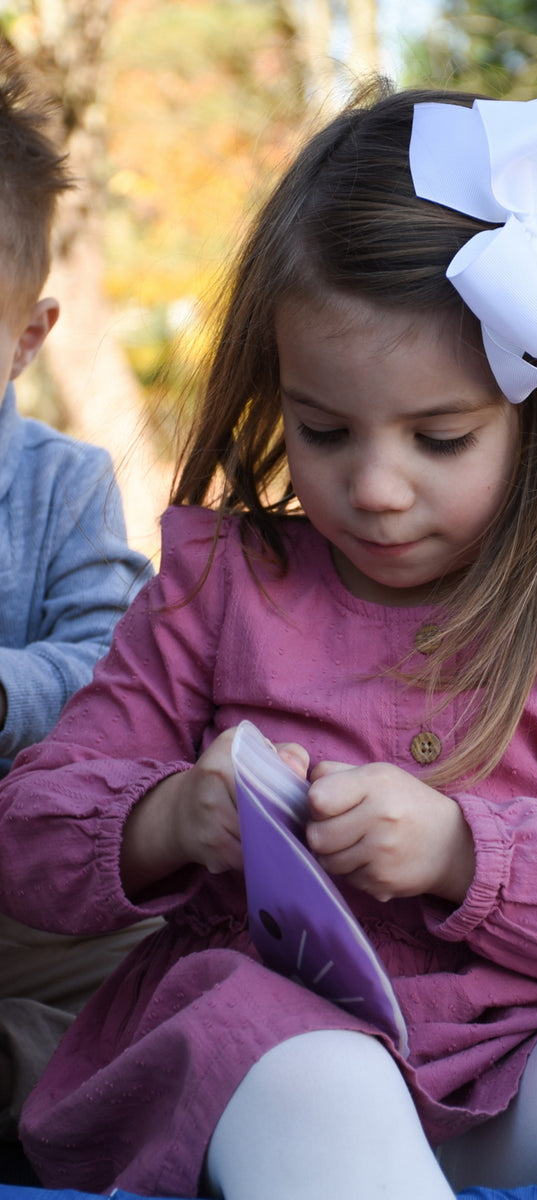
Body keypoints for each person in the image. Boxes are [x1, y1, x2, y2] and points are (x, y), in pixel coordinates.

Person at [0, 81, 537, 1200]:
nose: (373, 488)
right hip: (262, 1063)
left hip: (512, 1057)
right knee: (324, 1086)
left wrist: (469, 851)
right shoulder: (222, 590)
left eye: (438, 437)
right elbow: (28, 838)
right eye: (322, 430)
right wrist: (172, 814)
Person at [0, 46, 155, 1139]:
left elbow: (111, 653)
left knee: (171, 950)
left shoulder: (64, 483)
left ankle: (33, 1070)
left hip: (24, 873)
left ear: (26, 334)